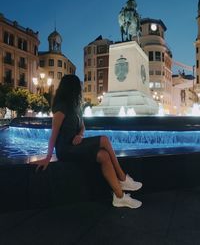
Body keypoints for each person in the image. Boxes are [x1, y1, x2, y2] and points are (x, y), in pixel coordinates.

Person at [31, 74, 142, 209]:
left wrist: (80, 135)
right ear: (72, 88)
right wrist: (48, 156)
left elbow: (82, 126)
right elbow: (53, 134)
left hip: (76, 144)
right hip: (65, 149)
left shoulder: (76, 106)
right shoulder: (61, 107)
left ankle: (119, 197)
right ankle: (122, 178)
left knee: (104, 156)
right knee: (104, 139)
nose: (81, 90)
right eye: (79, 87)